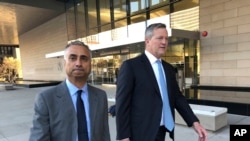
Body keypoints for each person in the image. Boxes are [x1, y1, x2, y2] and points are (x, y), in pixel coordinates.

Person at [115, 23, 207, 141]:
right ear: (147, 41)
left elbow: (177, 98)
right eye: (160, 38)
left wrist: (195, 122)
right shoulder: (131, 66)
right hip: (140, 133)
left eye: (166, 38)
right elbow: (122, 104)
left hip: (162, 131)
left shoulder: (168, 68)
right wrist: (123, 137)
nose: (164, 42)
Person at [29, 41, 111, 141]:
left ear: (90, 64)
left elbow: (104, 134)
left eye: (84, 58)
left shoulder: (100, 96)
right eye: (73, 58)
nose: (78, 63)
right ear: (64, 63)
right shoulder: (46, 99)